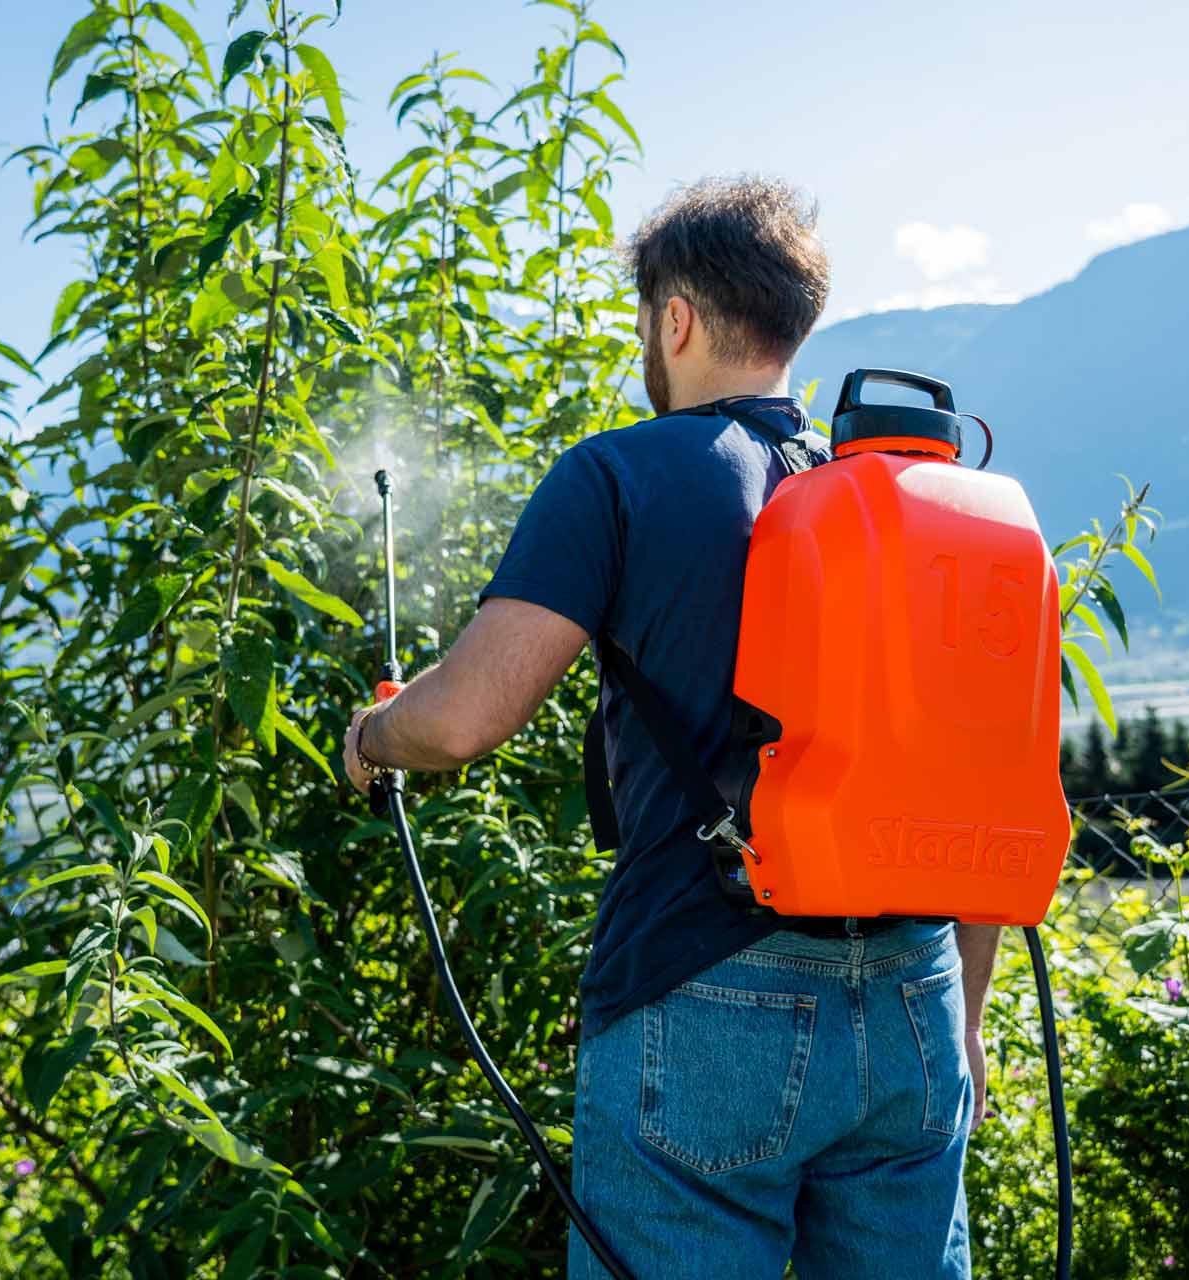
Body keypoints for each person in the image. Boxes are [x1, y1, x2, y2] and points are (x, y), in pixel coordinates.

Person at [341, 175, 999, 1279]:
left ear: (675, 319)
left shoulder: (619, 473)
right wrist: (962, 1019)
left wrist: (375, 737)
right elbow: (986, 784)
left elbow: (462, 723)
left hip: (706, 987)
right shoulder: (904, 500)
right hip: (915, 996)